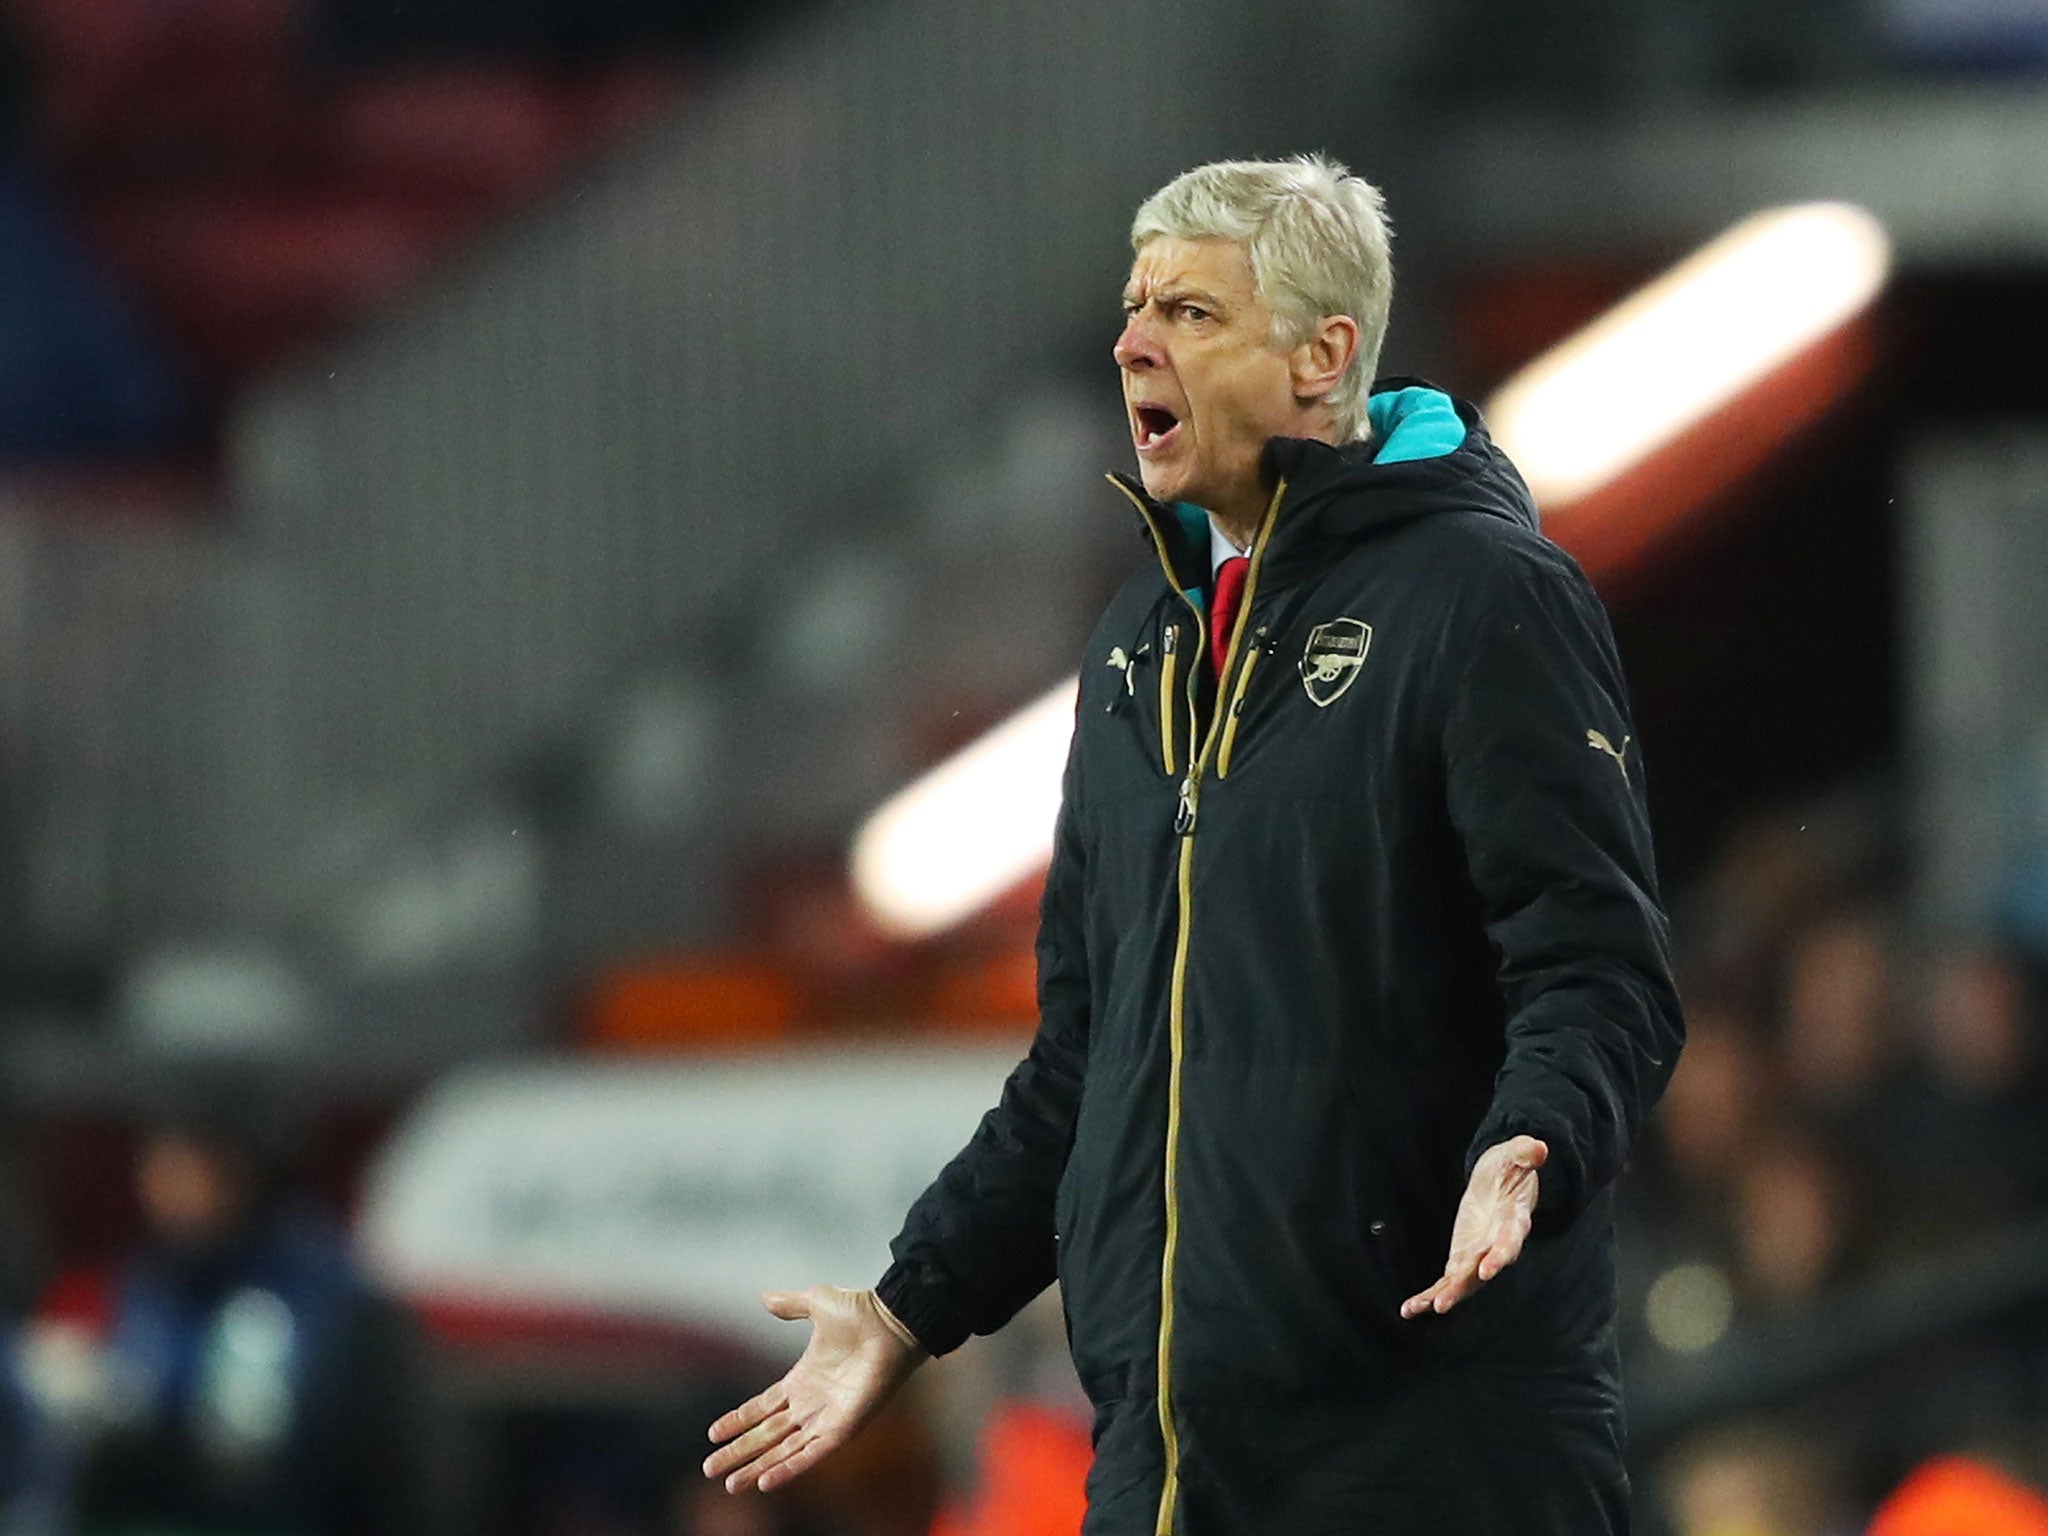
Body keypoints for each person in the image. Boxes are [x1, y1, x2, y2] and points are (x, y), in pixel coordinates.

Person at [706, 155, 1684, 1534]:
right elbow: (1081, 1069)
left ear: (1322, 357)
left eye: (1192, 313)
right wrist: (908, 1305)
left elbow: (1600, 973)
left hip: (1431, 1461)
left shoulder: (1485, 598)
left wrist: (1531, 1139)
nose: (1131, 342)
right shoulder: (1137, 647)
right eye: (1133, 306)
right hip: (1170, 1473)